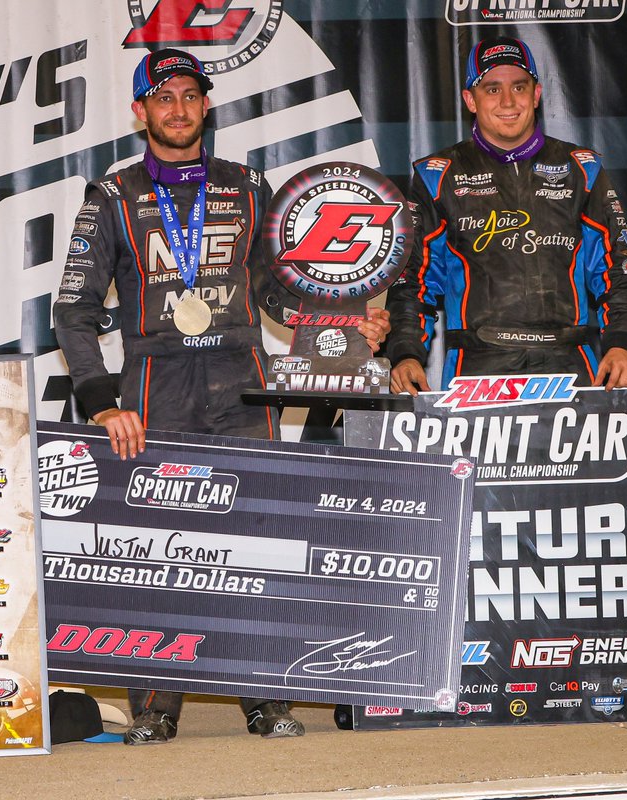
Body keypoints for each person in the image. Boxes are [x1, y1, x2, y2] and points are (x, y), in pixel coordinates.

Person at [52, 48, 390, 744]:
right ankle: (155, 705)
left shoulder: (248, 185)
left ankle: (265, 699)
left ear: (206, 106)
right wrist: (100, 400)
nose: (178, 109)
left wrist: (346, 326)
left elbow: (279, 291)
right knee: (155, 547)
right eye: (163, 97)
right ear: (140, 111)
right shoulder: (110, 197)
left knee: (256, 542)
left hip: (242, 381)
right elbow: (73, 310)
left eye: (189, 96)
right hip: (154, 383)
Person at [386, 37, 627, 394]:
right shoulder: (437, 174)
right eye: (492, 89)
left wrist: (622, 342)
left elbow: (618, 265)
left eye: (519, 87)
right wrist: (406, 353)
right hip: (476, 368)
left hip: (570, 361)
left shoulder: (582, 168)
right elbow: (413, 279)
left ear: (536, 94)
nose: (508, 102)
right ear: (470, 100)